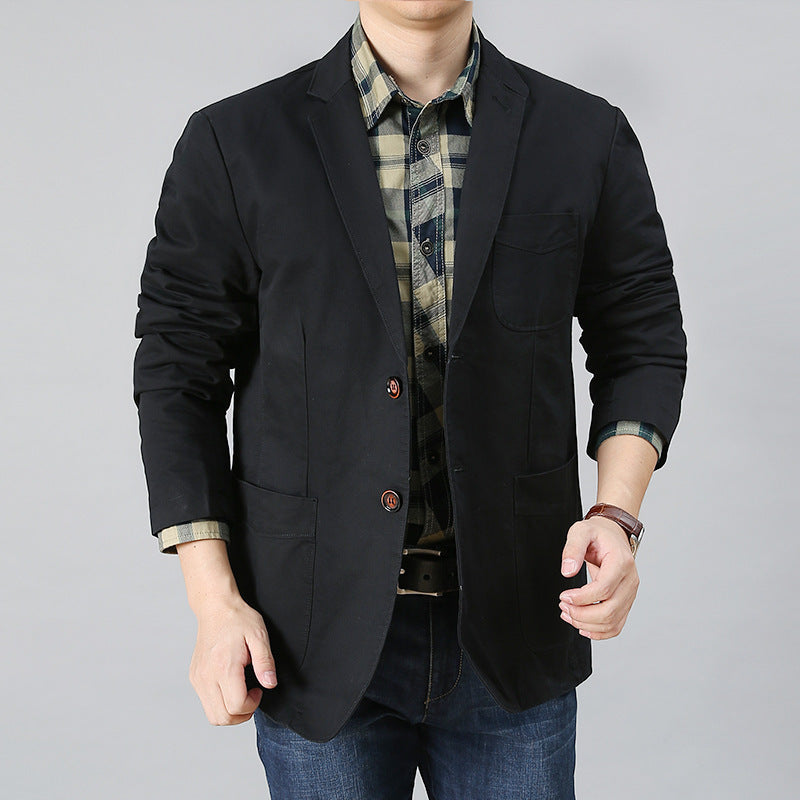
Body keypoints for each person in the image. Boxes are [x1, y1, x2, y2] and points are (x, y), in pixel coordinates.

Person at [132, 1, 687, 796]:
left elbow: (641, 337)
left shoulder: (583, 134)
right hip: (310, 635)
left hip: (515, 623)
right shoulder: (236, 141)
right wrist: (213, 601)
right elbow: (177, 371)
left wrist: (616, 514)